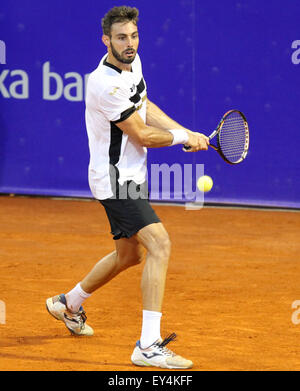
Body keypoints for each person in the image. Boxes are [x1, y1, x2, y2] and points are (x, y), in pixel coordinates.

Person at [46, 5, 209, 369]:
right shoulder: (105, 83)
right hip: (115, 180)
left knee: (129, 255)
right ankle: (148, 345)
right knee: (160, 244)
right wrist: (181, 137)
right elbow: (141, 134)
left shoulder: (133, 64)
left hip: (132, 175)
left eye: (134, 36)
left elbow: (145, 107)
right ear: (106, 40)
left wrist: (187, 133)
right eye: (121, 37)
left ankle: (67, 304)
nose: (129, 43)